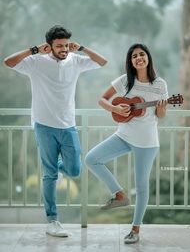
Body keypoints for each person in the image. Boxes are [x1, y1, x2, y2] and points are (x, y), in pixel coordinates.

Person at [4, 25, 107, 237]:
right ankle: (52, 220)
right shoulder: (36, 62)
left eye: (67, 45)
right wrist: (33, 50)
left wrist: (83, 48)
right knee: (50, 175)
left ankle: (53, 166)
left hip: (68, 125)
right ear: (49, 46)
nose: (64, 49)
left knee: (75, 169)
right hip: (44, 125)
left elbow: (102, 61)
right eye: (59, 46)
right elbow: (8, 61)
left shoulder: (75, 60)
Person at [85, 43, 168, 244]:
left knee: (141, 187)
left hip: (147, 142)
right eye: (134, 56)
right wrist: (116, 108)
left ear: (148, 57)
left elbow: (161, 116)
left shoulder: (160, 85)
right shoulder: (125, 81)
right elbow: (102, 100)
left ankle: (135, 230)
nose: (138, 58)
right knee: (91, 159)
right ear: (130, 62)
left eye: (142, 54)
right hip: (123, 135)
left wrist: (162, 107)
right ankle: (120, 195)